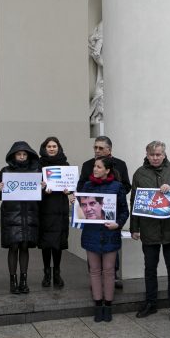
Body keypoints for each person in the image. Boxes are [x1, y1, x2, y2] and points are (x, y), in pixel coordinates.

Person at [130, 141, 170, 321]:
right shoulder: (139, 173)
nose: (155, 157)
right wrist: (134, 227)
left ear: (164, 154)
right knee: (150, 269)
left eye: (158, 154)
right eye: (152, 154)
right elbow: (134, 201)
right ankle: (151, 304)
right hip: (149, 228)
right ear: (146, 155)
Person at [77, 156, 129, 322]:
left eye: (98, 167)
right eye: (94, 166)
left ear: (107, 170)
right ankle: (97, 305)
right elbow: (81, 209)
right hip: (91, 233)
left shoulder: (117, 187)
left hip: (110, 235)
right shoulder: (87, 186)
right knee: (94, 271)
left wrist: (118, 224)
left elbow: (124, 211)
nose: (95, 169)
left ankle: (108, 305)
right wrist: (75, 204)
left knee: (108, 271)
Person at [77, 136, 131, 289]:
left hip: (111, 211)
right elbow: (81, 187)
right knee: (92, 245)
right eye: (95, 147)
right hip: (93, 214)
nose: (97, 150)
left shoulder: (121, 164)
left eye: (101, 148)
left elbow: (126, 185)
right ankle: (95, 278)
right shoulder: (87, 165)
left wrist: (112, 195)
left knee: (111, 245)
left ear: (109, 150)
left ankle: (113, 276)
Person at [0, 141, 40, 294]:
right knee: (13, 247)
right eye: (19, 154)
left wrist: (42, 187)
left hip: (29, 214)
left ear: (28, 155)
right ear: (13, 155)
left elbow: (40, 194)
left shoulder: (35, 171)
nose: (21, 157)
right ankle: (13, 281)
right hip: (11, 214)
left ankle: (24, 281)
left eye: (24, 154)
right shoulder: (5, 171)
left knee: (25, 246)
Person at [38, 137, 70, 288]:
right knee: (46, 244)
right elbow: (33, 189)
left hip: (60, 208)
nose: (51, 148)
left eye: (54, 146)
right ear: (44, 148)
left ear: (59, 147)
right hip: (44, 207)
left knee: (58, 244)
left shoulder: (66, 165)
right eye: (49, 146)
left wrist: (68, 190)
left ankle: (57, 273)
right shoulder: (38, 166)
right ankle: (46, 273)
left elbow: (71, 185)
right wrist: (42, 188)